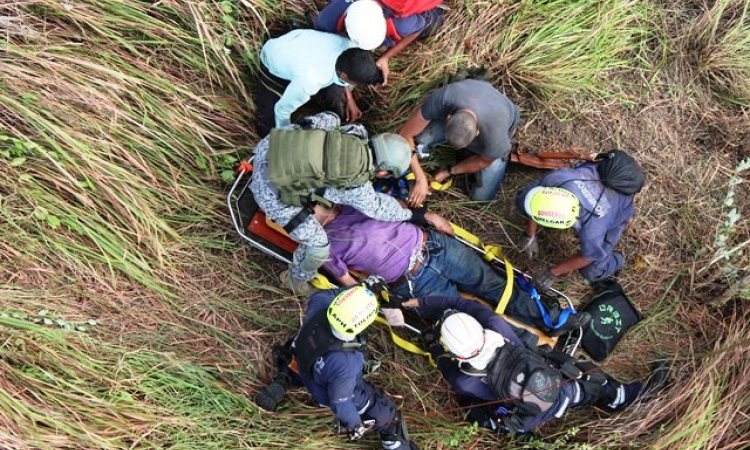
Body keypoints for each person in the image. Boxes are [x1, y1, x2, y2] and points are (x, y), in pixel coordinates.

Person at [402, 295, 669, 434]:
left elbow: (439, 358)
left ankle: (622, 399)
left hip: (526, 414)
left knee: (477, 411)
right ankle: (624, 397)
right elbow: (462, 303)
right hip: (558, 388)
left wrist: (433, 344)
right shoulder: (496, 327)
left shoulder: (462, 379)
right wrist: (426, 302)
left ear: (459, 357)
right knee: (591, 380)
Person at [249, 112, 437, 295]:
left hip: (267, 147)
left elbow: (320, 119)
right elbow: (378, 208)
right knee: (319, 247)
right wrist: (413, 215)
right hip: (267, 190)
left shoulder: (351, 131)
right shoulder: (355, 185)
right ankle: (294, 279)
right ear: (381, 172)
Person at [317, 204, 580, 333]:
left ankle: (553, 319)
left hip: (434, 247)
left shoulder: (353, 203)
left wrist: (430, 216)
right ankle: (529, 346)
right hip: (413, 283)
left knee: (493, 284)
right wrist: (381, 305)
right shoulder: (322, 246)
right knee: (467, 323)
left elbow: (395, 207)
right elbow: (350, 284)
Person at [294, 285, 418, 449]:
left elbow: (336, 294)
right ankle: (396, 443)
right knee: (389, 418)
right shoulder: (347, 362)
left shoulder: (320, 301)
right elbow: (341, 401)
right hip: (324, 389)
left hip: (306, 361)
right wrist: (354, 424)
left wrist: (363, 288)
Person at [515, 150, 645, 292]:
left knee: (592, 271)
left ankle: (617, 260)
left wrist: (552, 273)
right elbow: (537, 202)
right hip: (596, 176)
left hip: (617, 205)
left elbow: (587, 257)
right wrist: (529, 234)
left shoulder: (594, 226)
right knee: (524, 199)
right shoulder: (560, 178)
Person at [398, 79, 521, 204]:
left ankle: (497, 159)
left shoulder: (495, 139)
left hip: (501, 120)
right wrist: (420, 178)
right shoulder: (443, 99)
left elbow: (481, 162)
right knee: (422, 139)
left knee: (481, 198)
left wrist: (449, 171)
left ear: (477, 133)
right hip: (473, 95)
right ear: (448, 117)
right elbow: (405, 134)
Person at [255, 29, 383, 136]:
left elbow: (347, 77)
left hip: (302, 47)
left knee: (336, 99)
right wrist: (285, 135)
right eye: (354, 83)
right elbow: (281, 110)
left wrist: (350, 99)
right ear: (343, 75)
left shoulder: (352, 48)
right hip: (274, 62)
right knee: (268, 128)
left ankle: (339, 119)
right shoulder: (309, 81)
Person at [314, 0, 444, 84]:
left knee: (434, 23)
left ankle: (434, 14)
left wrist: (386, 57)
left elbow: (417, 29)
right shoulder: (328, 20)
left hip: (418, 4)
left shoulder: (402, 23)